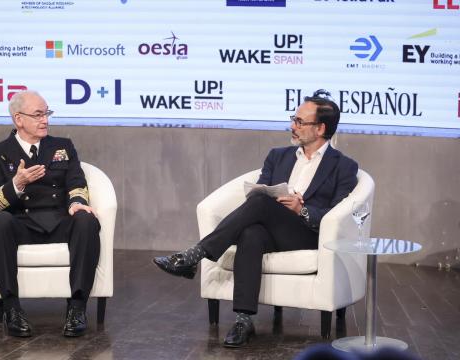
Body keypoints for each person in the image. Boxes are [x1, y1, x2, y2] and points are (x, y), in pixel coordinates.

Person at [153, 90, 359, 348]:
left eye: (299, 122)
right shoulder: (277, 155)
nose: (292, 126)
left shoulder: (344, 166)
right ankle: (243, 319)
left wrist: (301, 209)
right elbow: (259, 194)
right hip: (272, 230)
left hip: (308, 234)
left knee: (261, 204)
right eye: (293, 119)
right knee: (251, 232)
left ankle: (194, 255)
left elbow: (339, 212)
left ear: (320, 129)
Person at [0, 90, 100, 338]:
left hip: (59, 220)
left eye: (46, 113)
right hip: (22, 223)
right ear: (18, 119)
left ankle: (77, 308)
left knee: (87, 220)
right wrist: (17, 184)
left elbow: (77, 182)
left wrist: (76, 203)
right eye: (37, 115)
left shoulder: (62, 146)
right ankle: (11, 309)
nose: (45, 120)